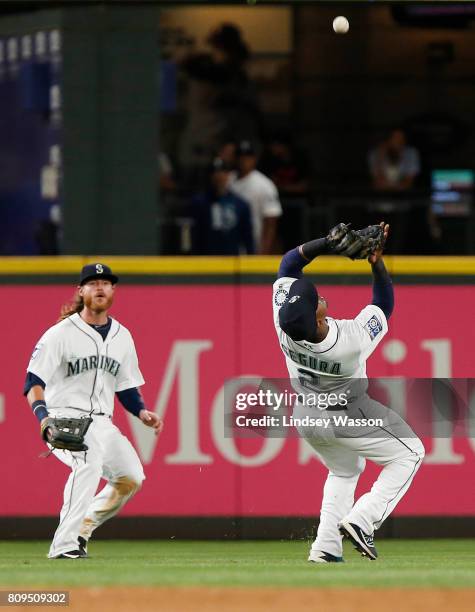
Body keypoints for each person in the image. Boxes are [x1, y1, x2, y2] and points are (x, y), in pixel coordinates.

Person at [272, 224, 424, 562]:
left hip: (306, 415)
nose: (318, 295)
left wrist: (325, 243)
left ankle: (325, 548)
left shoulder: (284, 324)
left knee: (344, 470)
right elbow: (384, 303)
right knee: (410, 453)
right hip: (347, 413)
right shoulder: (349, 342)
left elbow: (287, 266)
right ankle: (363, 519)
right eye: (315, 300)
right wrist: (376, 262)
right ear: (317, 316)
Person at [24, 263, 163, 559]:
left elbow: (124, 385)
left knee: (131, 477)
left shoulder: (122, 336)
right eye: (92, 282)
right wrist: (43, 419)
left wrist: (140, 412)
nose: (100, 287)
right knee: (87, 462)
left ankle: (83, 529)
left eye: (106, 282)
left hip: (102, 422)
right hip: (63, 416)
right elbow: (33, 382)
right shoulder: (60, 334)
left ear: (113, 291)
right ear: (81, 291)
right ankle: (63, 546)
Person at [192, 157, 254, 255]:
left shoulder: (240, 204)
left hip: (232, 261)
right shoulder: (199, 203)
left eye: (223, 172)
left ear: (228, 175)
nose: (219, 176)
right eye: (215, 173)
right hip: (205, 260)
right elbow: (194, 236)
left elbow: (248, 238)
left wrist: (251, 261)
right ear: (210, 176)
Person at [230, 140, 283, 254]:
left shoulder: (264, 184)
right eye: (240, 156)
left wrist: (264, 251)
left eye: (247, 157)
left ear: (254, 159)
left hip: (254, 245)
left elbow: (271, 222)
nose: (243, 160)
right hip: (231, 245)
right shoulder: (229, 180)